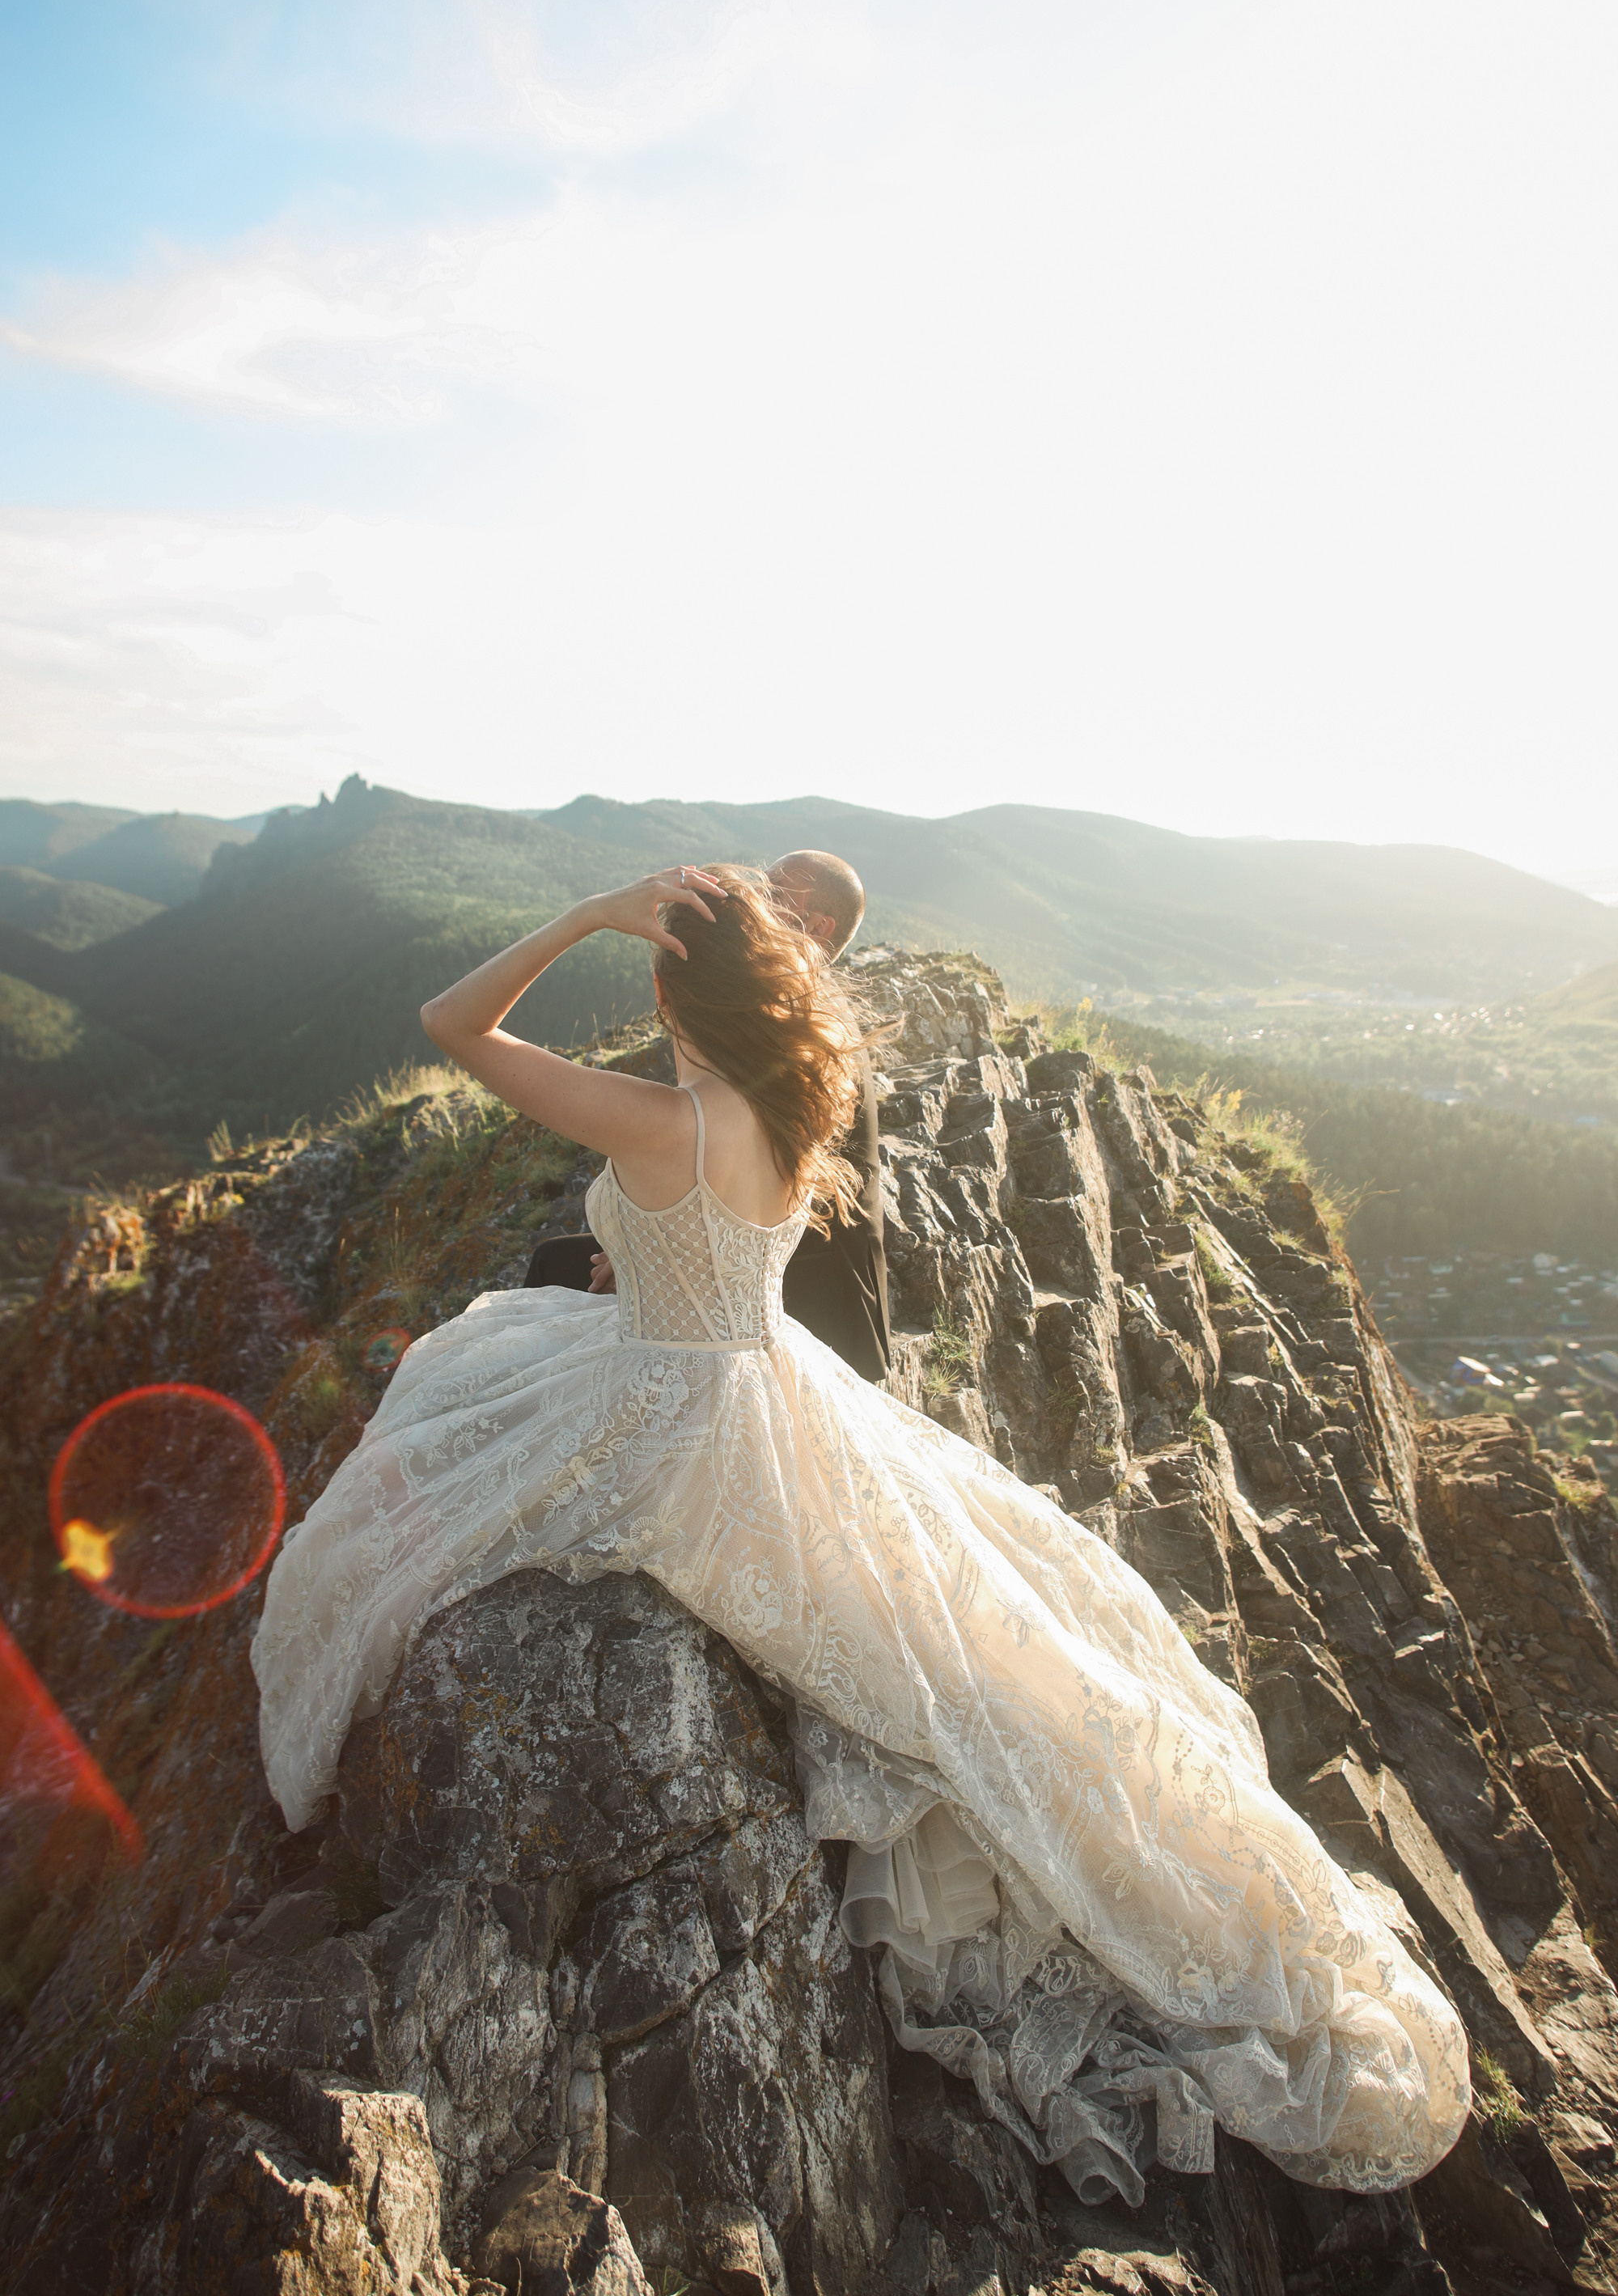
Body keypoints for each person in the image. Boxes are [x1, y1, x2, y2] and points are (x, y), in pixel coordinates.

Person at [252, 865, 1468, 2207]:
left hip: (675, 1416)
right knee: (961, 1636)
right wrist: (641, 1252)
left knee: (421, 1469)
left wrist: (589, 912)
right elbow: (713, 1245)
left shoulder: (664, 1118)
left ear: (674, 988)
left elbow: (451, 1022)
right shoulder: (782, 1093)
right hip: (770, 1380)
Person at [525, 849, 891, 1383]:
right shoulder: (791, 1003)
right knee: (560, 1262)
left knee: (556, 1273)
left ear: (818, 928)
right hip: (769, 1252)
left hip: (814, 1284)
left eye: (775, 892)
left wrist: (647, 1260)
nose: (757, 899)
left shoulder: (804, 1022)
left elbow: (798, 1193)